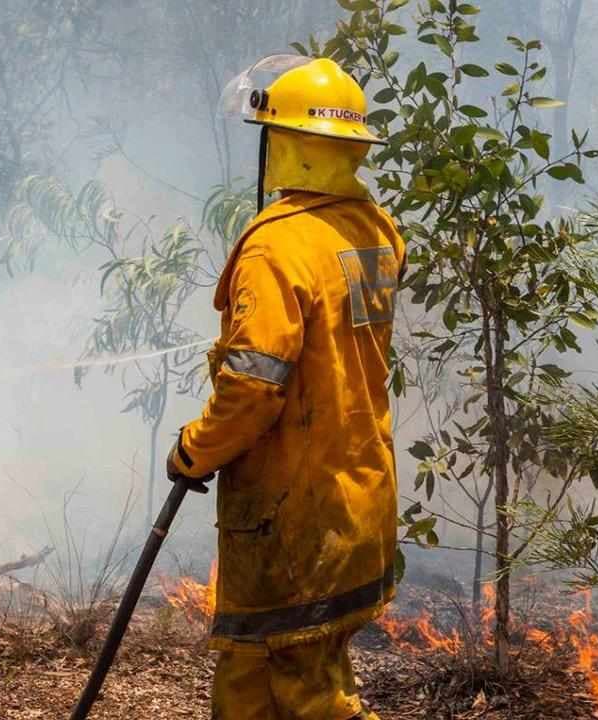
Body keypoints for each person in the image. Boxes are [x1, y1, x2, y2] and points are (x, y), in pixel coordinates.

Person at [166, 56, 404, 720]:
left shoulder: (278, 248)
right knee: (258, 677)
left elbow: (251, 386)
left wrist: (194, 449)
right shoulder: (374, 231)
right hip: (357, 501)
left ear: (287, 145)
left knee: (305, 694)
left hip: (296, 518)